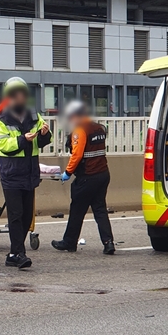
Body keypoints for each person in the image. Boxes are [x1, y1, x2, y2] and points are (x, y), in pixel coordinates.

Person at [0, 77, 52, 269]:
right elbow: (4, 145)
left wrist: (44, 134)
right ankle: (19, 253)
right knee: (16, 215)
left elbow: (42, 142)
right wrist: (23, 139)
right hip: (12, 173)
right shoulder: (1, 120)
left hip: (29, 172)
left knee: (27, 216)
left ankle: (13, 252)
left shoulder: (33, 115)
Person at [52, 101, 115, 255]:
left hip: (87, 177)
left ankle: (69, 242)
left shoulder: (80, 130)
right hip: (103, 174)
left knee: (77, 210)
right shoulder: (99, 128)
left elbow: (77, 155)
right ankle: (108, 243)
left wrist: (67, 172)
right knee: (100, 210)